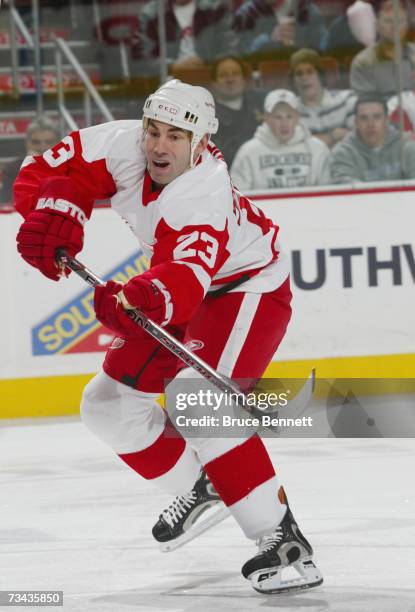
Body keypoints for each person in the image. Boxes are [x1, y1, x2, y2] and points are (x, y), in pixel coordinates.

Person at [13, 80, 323, 595]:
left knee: (194, 401)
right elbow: (45, 171)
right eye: (153, 131)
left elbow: (184, 280)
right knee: (106, 406)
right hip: (178, 286)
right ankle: (207, 485)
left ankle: (285, 543)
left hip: (246, 290)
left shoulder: (205, 189)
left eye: (176, 137)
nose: (158, 146)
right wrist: (55, 209)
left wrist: (135, 299)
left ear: (200, 143)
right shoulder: (121, 145)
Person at [231, 88, 330, 191]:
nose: (284, 124)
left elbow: (329, 193)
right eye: (278, 117)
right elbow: (237, 196)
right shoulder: (248, 152)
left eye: (289, 116)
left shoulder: (318, 149)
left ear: (297, 117)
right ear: (267, 118)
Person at [131, 0, 236, 75]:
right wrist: (174, 66)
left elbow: (231, 49)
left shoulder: (217, 7)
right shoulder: (151, 13)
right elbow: (141, 59)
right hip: (169, 81)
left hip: (212, 77)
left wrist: (206, 64)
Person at [330, 95, 415, 182]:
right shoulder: (342, 153)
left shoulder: (407, 146)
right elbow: (346, 189)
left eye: (377, 117)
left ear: (387, 120)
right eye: (364, 118)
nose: (370, 124)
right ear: (356, 122)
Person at [291, 48, 357, 149]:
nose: (304, 78)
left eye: (310, 72)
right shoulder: (290, 111)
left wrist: (310, 140)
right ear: (293, 80)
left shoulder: (347, 100)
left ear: (320, 76)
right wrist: (333, 136)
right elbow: (296, 148)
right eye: (299, 74)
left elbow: (358, 139)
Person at [350, 0, 415, 98]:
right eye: (388, 21)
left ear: (407, 26)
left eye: (400, 21)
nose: (394, 27)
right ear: (376, 25)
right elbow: (366, 104)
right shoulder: (363, 62)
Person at [210, 55, 265, 165]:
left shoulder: (263, 101)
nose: (230, 79)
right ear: (214, 83)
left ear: (244, 79)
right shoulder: (208, 113)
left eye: (235, 74)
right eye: (223, 75)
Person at [233, 0, 328, 60]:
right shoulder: (246, 14)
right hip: (265, 78)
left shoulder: (306, 9)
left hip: (303, 73)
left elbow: (323, 50)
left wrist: (299, 40)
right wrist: (268, 40)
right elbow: (241, 58)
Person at [0, 116, 59, 206]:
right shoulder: (12, 169)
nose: (42, 148)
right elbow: (8, 204)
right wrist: (30, 169)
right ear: (27, 143)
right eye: (36, 142)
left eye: (48, 142)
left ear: (57, 143)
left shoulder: (68, 168)